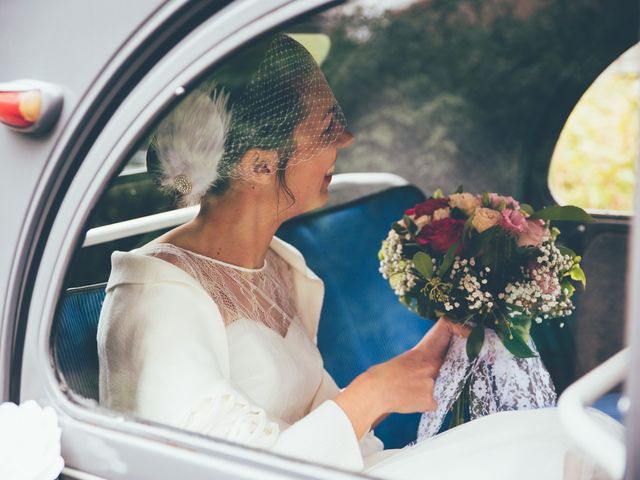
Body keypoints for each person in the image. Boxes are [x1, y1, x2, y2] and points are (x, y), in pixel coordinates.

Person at [97, 34, 617, 479]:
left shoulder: (278, 262)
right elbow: (207, 469)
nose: (347, 138)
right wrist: (372, 395)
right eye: (327, 127)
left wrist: (426, 354)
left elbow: (309, 417)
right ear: (259, 165)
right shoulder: (155, 295)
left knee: (567, 438)